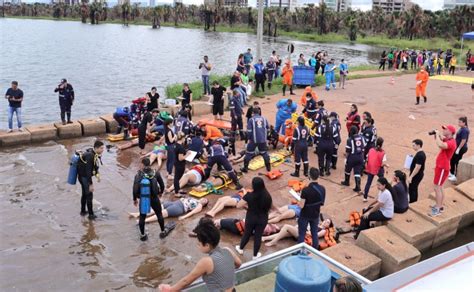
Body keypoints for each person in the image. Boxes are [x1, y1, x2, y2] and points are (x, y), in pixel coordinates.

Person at [158, 218, 241, 292]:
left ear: (207, 245)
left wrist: (169, 289)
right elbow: (238, 264)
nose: (197, 246)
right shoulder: (228, 250)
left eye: (198, 244)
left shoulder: (206, 262)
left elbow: (186, 281)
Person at [235, 177, 272, 259]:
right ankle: (255, 255)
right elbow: (270, 206)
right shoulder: (267, 196)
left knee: (247, 233)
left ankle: (240, 248)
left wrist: (247, 205)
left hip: (251, 217)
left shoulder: (249, 196)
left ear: (253, 185)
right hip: (262, 218)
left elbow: (238, 206)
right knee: (258, 236)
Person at [133, 157, 165, 241]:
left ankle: (143, 235)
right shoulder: (156, 173)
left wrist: (135, 199)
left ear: (142, 164)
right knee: (159, 214)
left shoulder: (139, 175)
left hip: (144, 199)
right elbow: (162, 185)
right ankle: (162, 231)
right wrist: (161, 193)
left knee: (142, 217)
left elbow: (135, 188)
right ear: (150, 164)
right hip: (154, 198)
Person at [297, 168, 325, 249]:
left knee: (302, 234)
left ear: (309, 176)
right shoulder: (322, 189)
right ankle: (315, 250)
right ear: (318, 176)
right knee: (314, 234)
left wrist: (299, 199)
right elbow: (322, 203)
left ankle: (300, 251)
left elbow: (301, 206)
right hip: (315, 214)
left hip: (305, 215)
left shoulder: (305, 190)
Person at [431, 125, 457, 216]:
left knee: (437, 187)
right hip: (440, 166)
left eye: (445, 129)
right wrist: (437, 135)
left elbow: (441, 145)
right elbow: (440, 140)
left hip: (442, 167)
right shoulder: (448, 139)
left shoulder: (452, 142)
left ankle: (437, 209)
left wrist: (438, 135)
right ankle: (440, 206)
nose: (443, 130)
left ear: (450, 132)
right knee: (440, 186)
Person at [77, 140, 105, 220]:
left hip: (82, 176)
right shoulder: (90, 156)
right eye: (101, 148)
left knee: (85, 194)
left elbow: (95, 167)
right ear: (96, 148)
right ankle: (91, 215)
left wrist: (97, 175)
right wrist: (91, 184)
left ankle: (83, 211)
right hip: (84, 177)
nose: (103, 150)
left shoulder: (94, 154)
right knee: (89, 195)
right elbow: (88, 171)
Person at [262, 218, 333, 247]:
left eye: (328, 222)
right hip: (300, 231)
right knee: (283, 234)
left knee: (286, 226)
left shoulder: (323, 230)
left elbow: (315, 235)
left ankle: (273, 242)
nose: (325, 222)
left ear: (328, 226)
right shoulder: (316, 224)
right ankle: (265, 238)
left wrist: (306, 229)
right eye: (325, 220)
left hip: (303, 236)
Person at [241, 107, 271, 173]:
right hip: (263, 140)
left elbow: (249, 131)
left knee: (248, 154)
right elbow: (268, 129)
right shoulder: (264, 119)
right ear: (259, 112)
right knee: (264, 153)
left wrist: (249, 139)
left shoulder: (251, 120)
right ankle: (268, 168)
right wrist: (265, 137)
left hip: (253, 140)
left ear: (253, 113)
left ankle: (245, 168)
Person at [362, 137, 388, 202]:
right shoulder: (383, 153)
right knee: (383, 182)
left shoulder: (371, 150)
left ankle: (365, 197)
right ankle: (383, 197)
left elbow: (367, 159)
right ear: (382, 144)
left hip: (371, 168)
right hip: (379, 169)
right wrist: (386, 165)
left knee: (368, 183)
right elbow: (382, 164)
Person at [341, 126, 366, 192]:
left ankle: (347, 182)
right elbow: (364, 147)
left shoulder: (350, 140)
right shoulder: (362, 138)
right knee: (357, 172)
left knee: (347, 170)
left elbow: (348, 151)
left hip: (352, 157)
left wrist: (346, 158)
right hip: (360, 156)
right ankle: (358, 187)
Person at [449, 117, 469, 182]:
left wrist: (458, 149)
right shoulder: (462, 128)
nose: (459, 123)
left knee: (457, 161)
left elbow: (463, 140)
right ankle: (452, 173)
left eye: (460, 122)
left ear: (464, 123)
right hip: (457, 147)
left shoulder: (465, 130)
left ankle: (456, 176)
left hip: (461, 148)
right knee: (452, 159)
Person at [408, 139, 426, 203]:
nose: (413, 147)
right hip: (417, 174)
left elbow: (417, 167)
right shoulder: (420, 154)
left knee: (412, 188)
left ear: (418, 145)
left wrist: (411, 177)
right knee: (413, 188)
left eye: (414, 145)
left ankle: (413, 201)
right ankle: (413, 201)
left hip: (416, 175)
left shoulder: (420, 155)